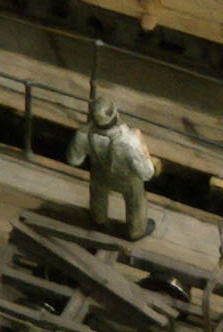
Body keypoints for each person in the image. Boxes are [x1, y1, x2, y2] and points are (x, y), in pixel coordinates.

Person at [66, 96, 162, 240]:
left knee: (98, 193)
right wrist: (144, 149)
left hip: (100, 174)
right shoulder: (130, 141)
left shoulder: (83, 134)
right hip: (126, 179)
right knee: (136, 200)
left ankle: (98, 221)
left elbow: (74, 160)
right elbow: (147, 173)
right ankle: (136, 231)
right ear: (116, 114)